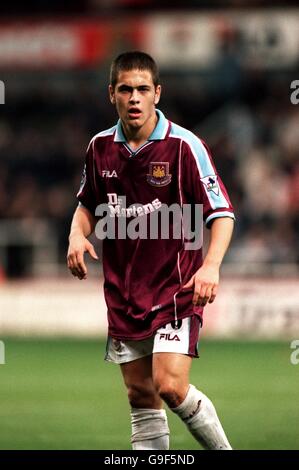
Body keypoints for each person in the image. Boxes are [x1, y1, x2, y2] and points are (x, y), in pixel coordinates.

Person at [67, 51, 235, 450]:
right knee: (141, 398)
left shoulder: (185, 146)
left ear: (157, 93)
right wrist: (77, 235)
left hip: (175, 290)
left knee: (170, 386)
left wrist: (211, 266)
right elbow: (87, 204)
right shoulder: (99, 147)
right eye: (126, 89)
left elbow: (222, 213)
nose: (135, 98)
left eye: (143, 89)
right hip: (124, 294)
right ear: (112, 95)